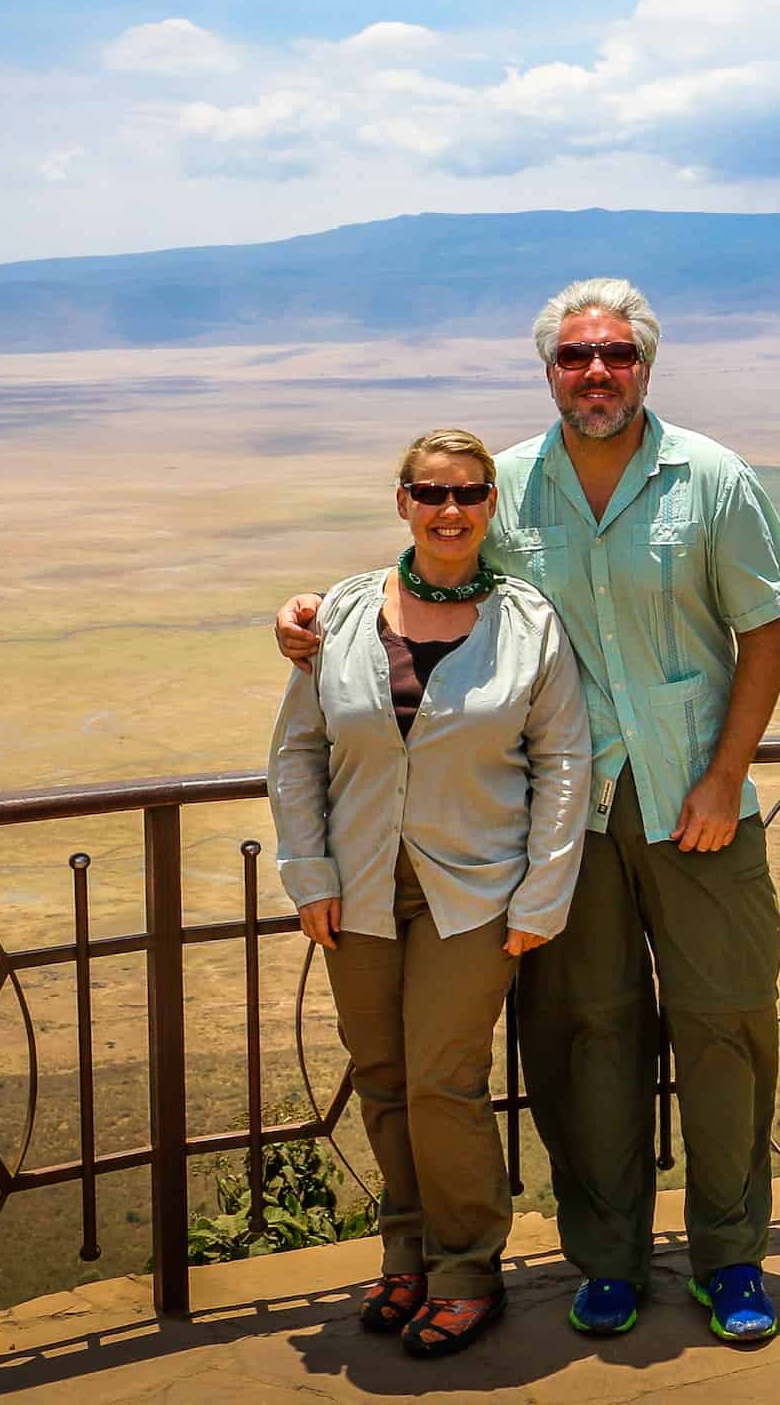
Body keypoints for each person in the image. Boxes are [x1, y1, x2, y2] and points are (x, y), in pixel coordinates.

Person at [274, 276, 780, 1347]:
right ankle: (605, 1259)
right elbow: (438, 570)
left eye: (615, 354)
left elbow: (766, 632)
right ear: (550, 369)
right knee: (582, 1036)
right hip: (565, 824)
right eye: (575, 356)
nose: (596, 372)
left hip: (696, 808)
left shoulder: (712, 477)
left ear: (646, 364)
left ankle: (731, 1256)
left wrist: (722, 775)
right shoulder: (507, 485)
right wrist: (309, 614)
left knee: (725, 1027)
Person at [267, 427, 591, 1360]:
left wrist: (542, 894)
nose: (451, 511)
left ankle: (465, 1268)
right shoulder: (339, 612)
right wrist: (309, 871)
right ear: (402, 501)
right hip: (358, 884)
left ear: (492, 505)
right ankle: (404, 1256)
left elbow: (562, 759)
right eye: (431, 492)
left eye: (470, 494)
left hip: (476, 890)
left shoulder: (528, 621)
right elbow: (298, 749)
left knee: (443, 1080)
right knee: (380, 1076)